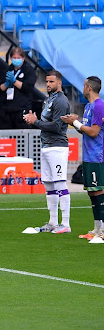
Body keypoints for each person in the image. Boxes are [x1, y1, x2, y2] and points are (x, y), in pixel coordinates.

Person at [24, 71, 71, 234]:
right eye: (47, 81)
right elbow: (46, 123)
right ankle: (52, 221)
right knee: (49, 185)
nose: (48, 84)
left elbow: (57, 127)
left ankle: (65, 223)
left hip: (57, 147)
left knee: (59, 183)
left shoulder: (61, 101)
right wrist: (35, 120)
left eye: (51, 81)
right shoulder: (49, 100)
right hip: (47, 145)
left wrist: (35, 122)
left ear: (59, 83)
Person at [64, 77, 104, 238]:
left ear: (88, 88)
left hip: (97, 156)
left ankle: (102, 230)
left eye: (84, 85)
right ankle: (96, 229)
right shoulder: (88, 106)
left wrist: (76, 123)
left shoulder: (100, 106)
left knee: (99, 190)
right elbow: (85, 129)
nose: (82, 88)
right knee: (92, 192)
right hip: (88, 155)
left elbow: (94, 132)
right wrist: (74, 123)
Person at [0, 47, 36, 130]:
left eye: (18, 58)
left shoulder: (28, 70)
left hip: (22, 109)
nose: (16, 60)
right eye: (14, 58)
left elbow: (28, 88)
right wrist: (7, 84)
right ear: (11, 58)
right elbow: (0, 88)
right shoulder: (8, 69)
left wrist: (14, 81)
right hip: (8, 109)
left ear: (23, 58)